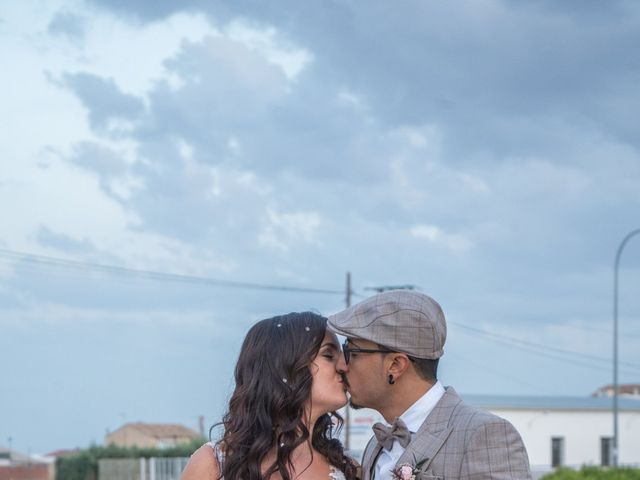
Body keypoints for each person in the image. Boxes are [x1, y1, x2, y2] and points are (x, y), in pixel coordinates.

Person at [328, 290, 531, 480]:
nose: (343, 366)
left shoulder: (484, 434)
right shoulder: (376, 445)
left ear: (395, 365)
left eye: (352, 353)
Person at [181, 311, 358, 480]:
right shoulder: (214, 464)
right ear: (284, 367)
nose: (343, 366)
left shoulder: (348, 470)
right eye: (328, 355)